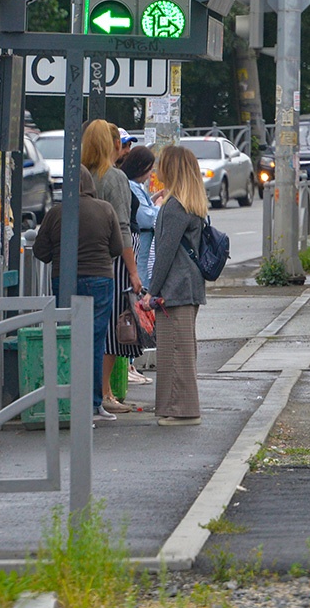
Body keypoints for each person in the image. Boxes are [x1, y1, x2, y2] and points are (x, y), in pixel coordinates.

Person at [33, 166, 123, 423]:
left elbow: (41, 251)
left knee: (68, 339)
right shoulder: (105, 209)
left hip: (65, 281)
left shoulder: (56, 213)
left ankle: (68, 401)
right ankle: (94, 405)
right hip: (99, 279)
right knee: (94, 342)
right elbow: (116, 247)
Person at [82, 120, 142, 414]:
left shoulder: (81, 174)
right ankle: (102, 395)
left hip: (78, 261)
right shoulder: (114, 177)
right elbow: (122, 226)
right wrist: (133, 270)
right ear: (112, 144)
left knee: (84, 331)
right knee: (107, 332)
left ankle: (96, 394)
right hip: (111, 261)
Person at [146, 145, 208, 426]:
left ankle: (182, 410)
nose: (157, 170)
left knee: (173, 350)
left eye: (162, 165)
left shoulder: (173, 208)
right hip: (190, 284)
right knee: (184, 348)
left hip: (174, 286)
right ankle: (181, 407)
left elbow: (165, 253)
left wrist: (152, 290)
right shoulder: (190, 203)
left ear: (171, 170)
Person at [121, 145, 160, 387]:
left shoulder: (137, 187)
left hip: (142, 253)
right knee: (133, 311)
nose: (150, 173)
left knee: (136, 310)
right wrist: (159, 209)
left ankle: (130, 363)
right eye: (149, 168)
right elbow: (146, 217)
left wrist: (153, 202)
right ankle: (127, 363)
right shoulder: (132, 187)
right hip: (139, 254)